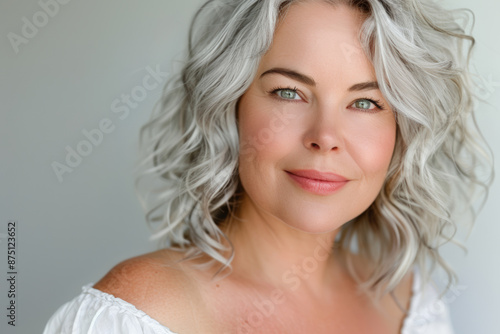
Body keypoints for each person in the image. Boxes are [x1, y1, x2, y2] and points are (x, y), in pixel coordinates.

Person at [43, 0, 492, 333]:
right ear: (230, 105)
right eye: (289, 93)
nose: (325, 137)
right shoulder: (138, 315)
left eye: (365, 102)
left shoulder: (414, 307)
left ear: (401, 133)